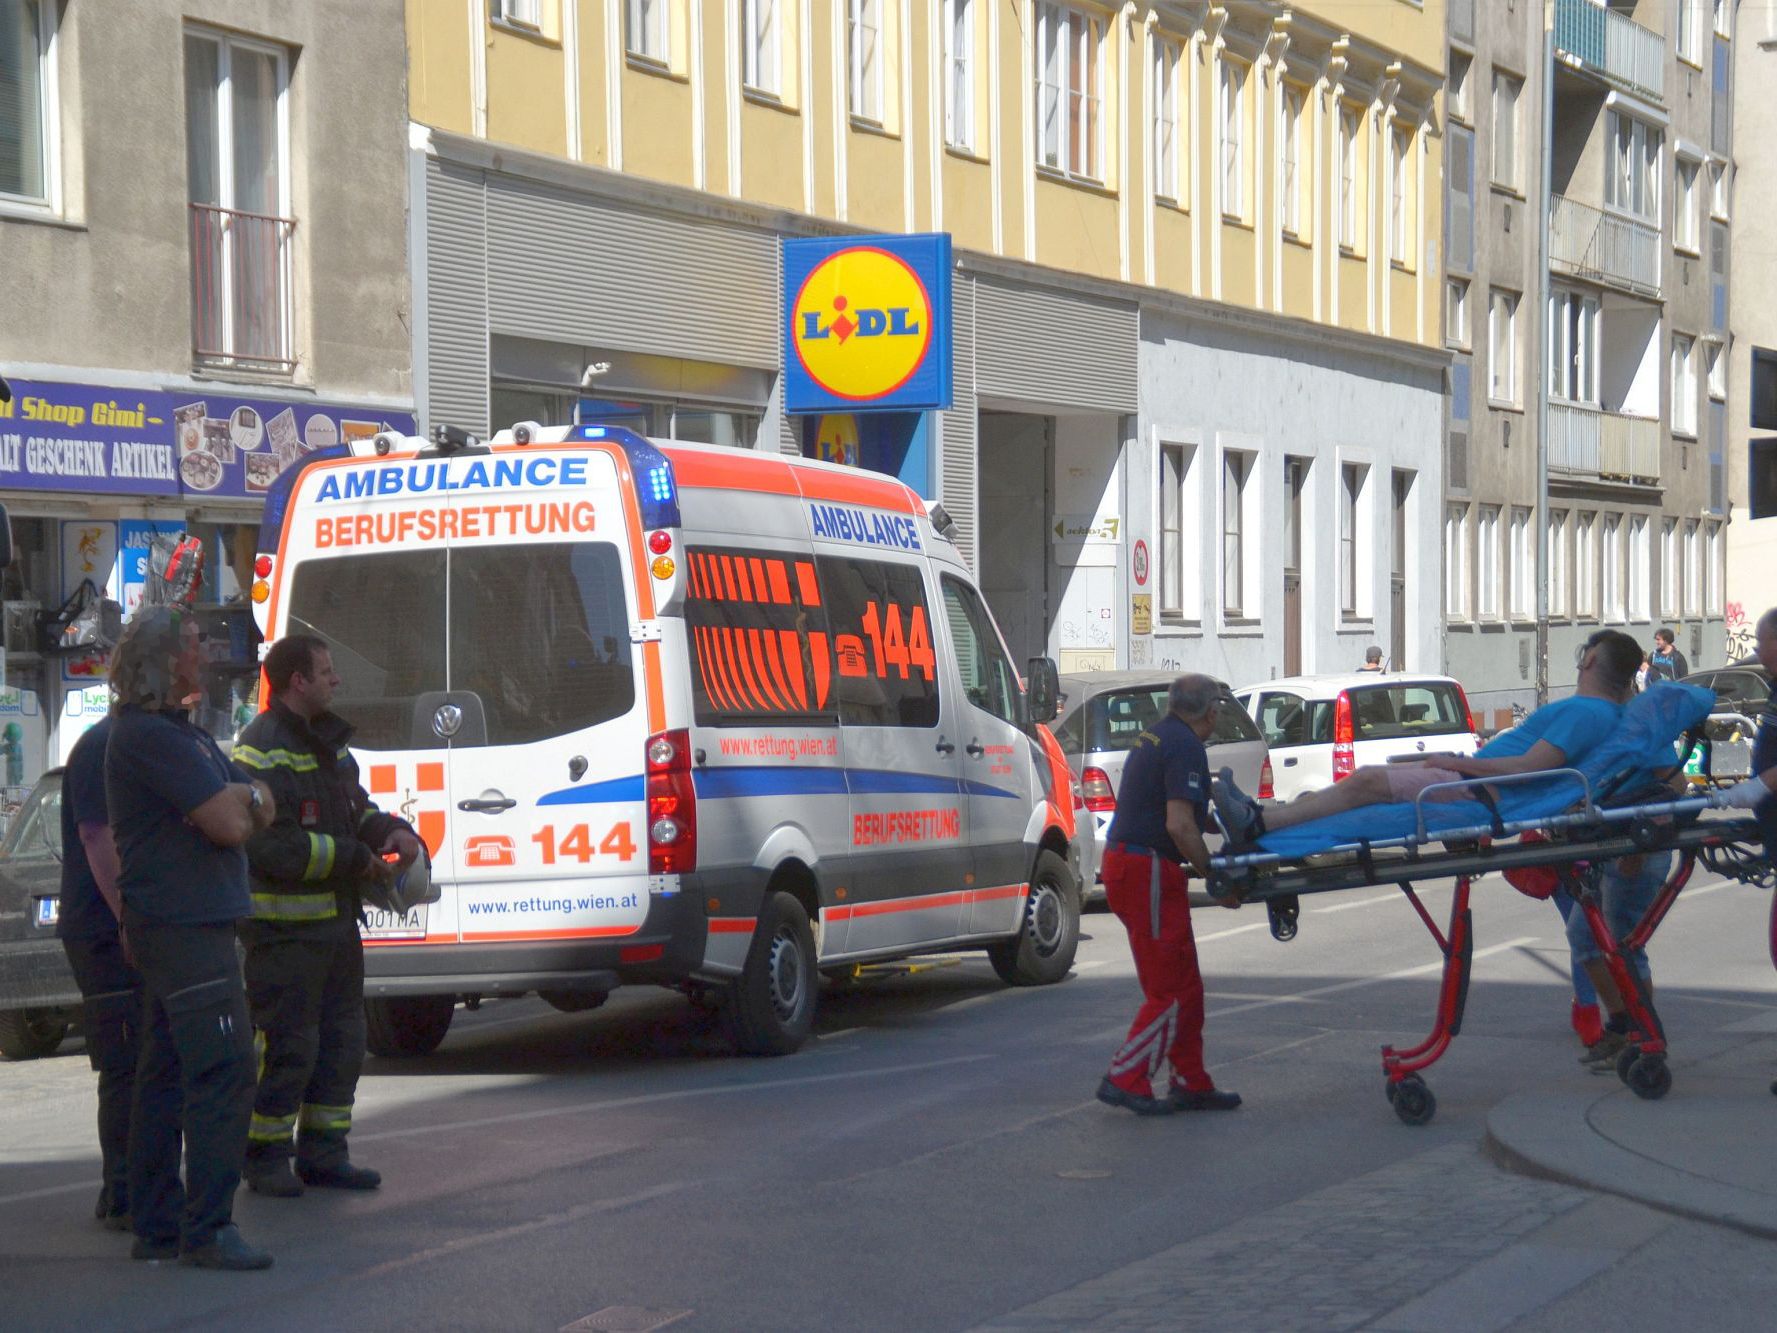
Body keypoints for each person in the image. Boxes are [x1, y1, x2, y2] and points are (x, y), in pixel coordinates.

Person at [105, 606, 277, 1271]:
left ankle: (157, 1220)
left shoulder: (180, 735)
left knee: (169, 1071)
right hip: (186, 927)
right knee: (225, 1069)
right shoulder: (154, 736)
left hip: (178, 924)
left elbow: (251, 799)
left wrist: (249, 799)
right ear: (161, 659)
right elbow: (232, 820)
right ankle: (207, 1227)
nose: (203, 650)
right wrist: (248, 802)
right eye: (191, 643)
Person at [235, 634, 420, 1197]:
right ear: (297, 681)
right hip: (285, 934)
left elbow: (352, 808)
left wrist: (390, 830)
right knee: (290, 1046)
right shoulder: (258, 749)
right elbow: (270, 845)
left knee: (342, 1043)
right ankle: (265, 1156)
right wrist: (354, 858)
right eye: (326, 671)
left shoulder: (329, 743)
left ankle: (324, 1154)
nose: (335, 681)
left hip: (336, 929)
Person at [1214, 629, 1644, 845]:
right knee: (1368, 782)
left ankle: (1258, 822)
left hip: (1480, 791)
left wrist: (1461, 764)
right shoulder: (1602, 713)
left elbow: (1530, 767)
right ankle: (1261, 816)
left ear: (1587, 659)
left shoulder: (1584, 712)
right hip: (1480, 785)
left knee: (1366, 781)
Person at [1095, 674, 1242, 1116]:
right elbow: (1179, 825)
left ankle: (1191, 1081)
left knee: (1186, 985)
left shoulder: (1158, 735)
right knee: (1171, 990)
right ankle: (1126, 1076)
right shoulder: (1185, 746)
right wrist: (1214, 873)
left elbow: (1177, 811)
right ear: (1211, 712)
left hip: (1133, 865)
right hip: (1146, 870)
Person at [55, 711, 141, 1232]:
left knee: (143, 1057)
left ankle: (137, 1186)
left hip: (122, 925)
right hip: (105, 931)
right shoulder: (102, 745)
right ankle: (124, 1191)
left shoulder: (135, 740)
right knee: (127, 1060)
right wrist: (128, 917)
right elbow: (95, 835)